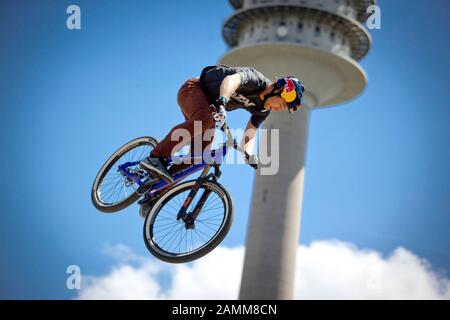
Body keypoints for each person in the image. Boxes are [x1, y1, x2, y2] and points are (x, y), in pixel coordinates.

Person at [139, 64, 305, 182]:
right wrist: (223, 101)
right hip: (194, 89)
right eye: (281, 105)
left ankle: (154, 193)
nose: (277, 109)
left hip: (209, 109)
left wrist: (248, 154)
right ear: (277, 90)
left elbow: (251, 132)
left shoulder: (263, 109)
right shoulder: (255, 79)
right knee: (205, 120)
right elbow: (231, 81)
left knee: (198, 158)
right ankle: (156, 157)